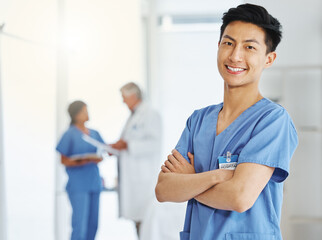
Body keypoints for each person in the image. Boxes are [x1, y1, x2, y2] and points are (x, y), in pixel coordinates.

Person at [155, 3, 298, 240]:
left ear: (269, 59)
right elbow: (163, 190)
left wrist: (190, 182)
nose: (235, 56)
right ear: (218, 47)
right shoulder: (198, 120)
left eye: (249, 47)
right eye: (228, 43)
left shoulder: (272, 120)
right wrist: (216, 177)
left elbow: (239, 197)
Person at [109, 82, 162, 238]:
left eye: (124, 97)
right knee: (137, 222)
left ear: (133, 96)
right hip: (133, 179)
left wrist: (127, 145)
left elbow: (154, 144)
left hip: (143, 180)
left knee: (145, 222)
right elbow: (128, 144)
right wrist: (116, 148)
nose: (123, 101)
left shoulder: (150, 114)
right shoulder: (133, 117)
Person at [56, 100, 105, 240]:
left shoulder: (95, 133)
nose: (87, 113)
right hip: (78, 186)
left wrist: (96, 158)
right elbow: (63, 159)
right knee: (80, 226)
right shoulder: (69, 134)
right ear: (76, 115)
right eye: (84, 111)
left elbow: (103, 152)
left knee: (93, 224)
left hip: (94, 183)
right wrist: (83, 160)